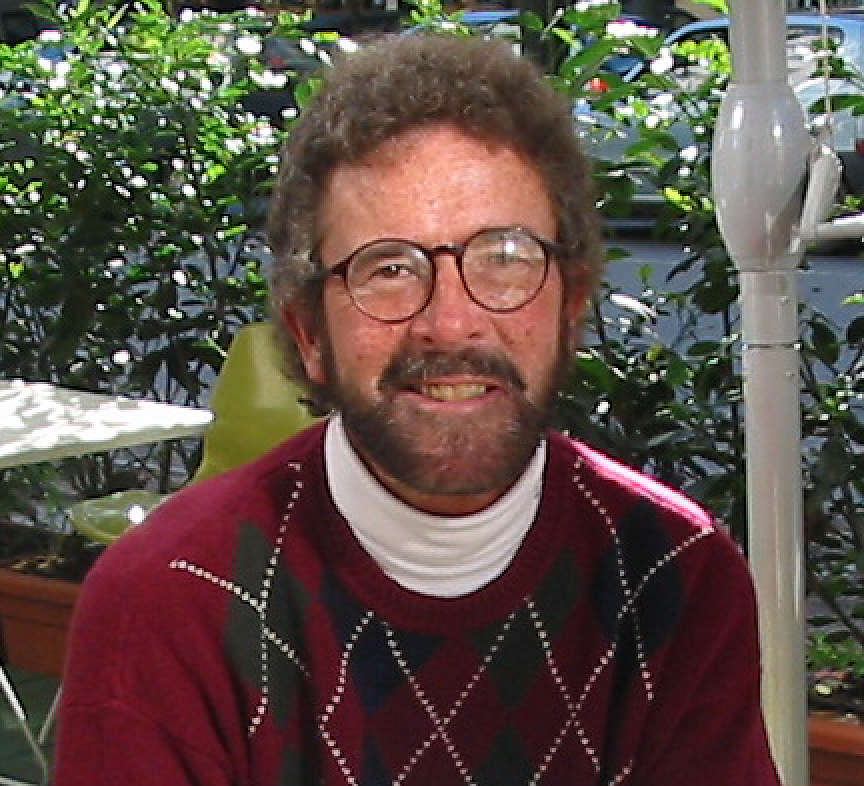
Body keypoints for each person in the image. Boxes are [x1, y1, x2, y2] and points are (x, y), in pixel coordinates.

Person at [53, 32, 781, 785]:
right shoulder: (170, 598)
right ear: (309, 334)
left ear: (570, 307)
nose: (452, 323)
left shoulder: (670, 570)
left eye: (504, 259)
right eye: (388, 269)